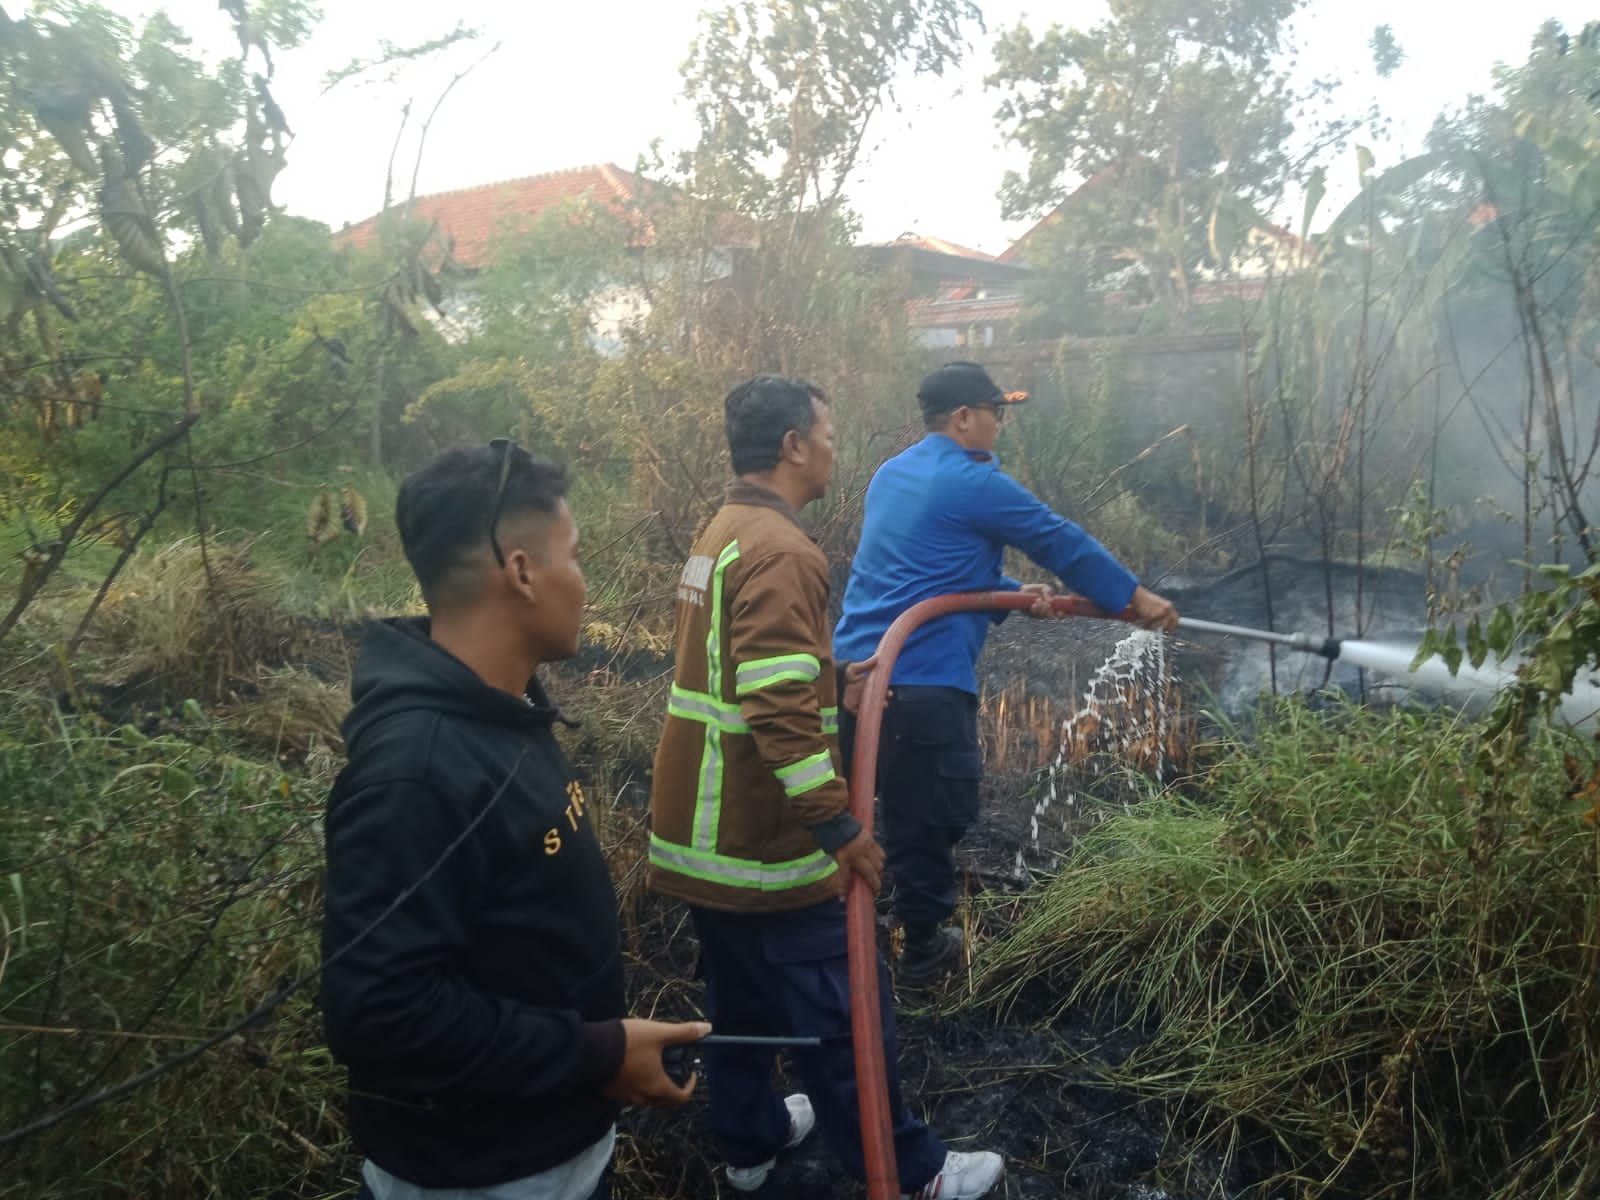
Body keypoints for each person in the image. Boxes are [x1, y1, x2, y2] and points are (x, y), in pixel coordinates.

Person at [648, 375, 1005, 1200]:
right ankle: (909, 1171)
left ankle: (751, 1142)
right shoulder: (782, 550)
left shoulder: (725, 530)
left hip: (707, 840)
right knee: (847, 1010)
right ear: (792, 446)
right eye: (829, 434)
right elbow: (774, 708)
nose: (835, 449)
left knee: (736, 1000)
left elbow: (749, 673)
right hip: (767, 841)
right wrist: (838, 827)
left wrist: (833, 676)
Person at [320, 441, 709, 1200]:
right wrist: (595, 1054)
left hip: (548, 1148)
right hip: (479, 1175)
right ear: (522, 571)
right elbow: (377, 1013)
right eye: (575, 556)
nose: (585, 584)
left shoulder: (502, 712)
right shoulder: (418, 770)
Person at [834, 361, 1180, 984]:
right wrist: (1135, 598)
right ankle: (921, 952)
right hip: (920, 685)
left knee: (868, 811)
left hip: (859, 681)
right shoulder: (973, 482)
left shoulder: (894, 475)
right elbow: (1058, 539)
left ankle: (848, 932)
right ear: (964, 417)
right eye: (997, 412)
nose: (1002, 423)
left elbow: (921, 567)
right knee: (933, 818)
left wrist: (1008, 592)